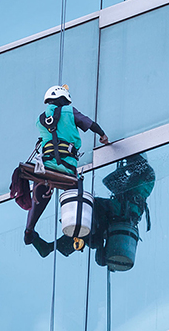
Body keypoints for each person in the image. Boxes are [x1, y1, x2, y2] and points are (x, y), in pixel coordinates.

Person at [24, 85, 110, 245]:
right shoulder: (70, 111)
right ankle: (77, 228)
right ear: (64, 99)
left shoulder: (40, 119)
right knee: (77, 193)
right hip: (67, 169)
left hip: (45, 167)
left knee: (40, 195)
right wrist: (103, 135)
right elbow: (90, 124)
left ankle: (29, 229)